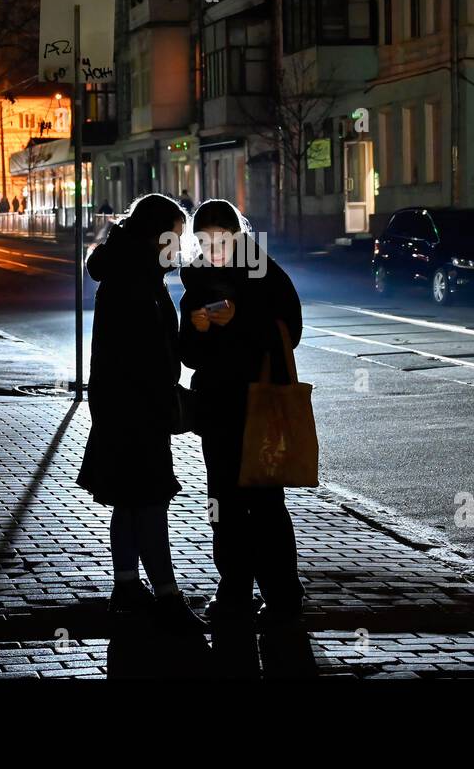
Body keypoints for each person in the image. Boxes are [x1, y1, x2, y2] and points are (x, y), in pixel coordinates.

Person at [76, 193, 205, 633]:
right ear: (156, 235)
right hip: (135, 408)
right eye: (176, 234)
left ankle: (128, 587)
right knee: (149, 499)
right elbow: (142, 350)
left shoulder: (133, 271)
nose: (180, 244)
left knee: (131, 501)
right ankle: (166, 594)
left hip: (122, 405)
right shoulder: (136, 279)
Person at [178, 199, 305, 629]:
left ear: (238, 236)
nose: (213, 247)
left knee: (267, 502)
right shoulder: (194, 280)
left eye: (221, 238)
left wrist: (240, 319)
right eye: (203, 240)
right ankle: (233, 587)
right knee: (223, 503)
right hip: (217, 408)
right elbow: (191, 355)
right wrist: (195, 331)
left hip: (261, 403)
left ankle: (283, 593)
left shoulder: (263, 271)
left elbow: (291, 330)